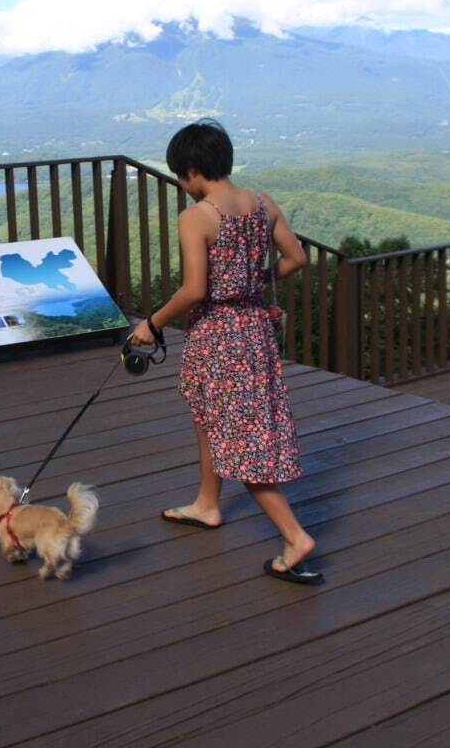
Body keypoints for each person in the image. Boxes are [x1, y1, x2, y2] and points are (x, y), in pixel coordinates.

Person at [128, 119, 321, 584]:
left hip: (218, 337)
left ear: (193, 169)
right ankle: (207, 503)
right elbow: (296, 259)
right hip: (255, 330)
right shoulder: (261, 203)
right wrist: (252, 281)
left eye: (180, 176)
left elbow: (194, 290)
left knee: (241, 438)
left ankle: (295, 538)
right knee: (212, 418)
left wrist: (151, 325)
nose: (182, 185)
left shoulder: (197, 217)